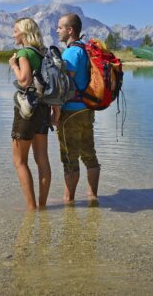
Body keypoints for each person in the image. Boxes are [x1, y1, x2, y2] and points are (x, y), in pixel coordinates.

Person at [54, 13, 100, 205]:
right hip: (86, 109)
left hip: (71, 112)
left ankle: (68, 201)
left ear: (70, 30)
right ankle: (92, 197)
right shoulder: (84, 49)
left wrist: (55, 112)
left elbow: (64, 85)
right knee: (89, 154)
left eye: (60, 27)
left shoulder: (71, 52)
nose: (57, 31)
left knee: (69, 159)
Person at [8, 17, 53, 211]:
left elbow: (25, 81)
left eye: (16, 30)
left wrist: (14, 65)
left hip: (27, 111)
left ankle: (31, 208)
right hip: (43, 110)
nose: (13, 34)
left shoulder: (24, 52)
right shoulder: (43, 54)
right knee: (42, 160)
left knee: (20, 162)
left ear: (24, 33)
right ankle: (42, 205)